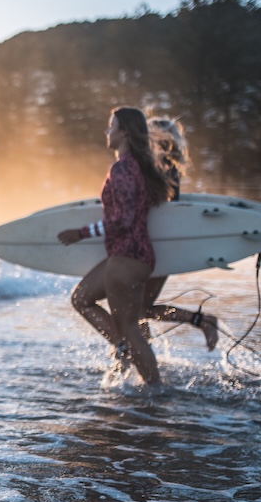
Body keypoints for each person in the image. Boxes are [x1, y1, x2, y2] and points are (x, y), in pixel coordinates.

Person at [58, 107, 172, 385]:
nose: (107, 132)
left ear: (124, 132)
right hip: (130, 256)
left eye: (111, 126)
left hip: (127, 257)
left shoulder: (123, 168)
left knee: (131, 328)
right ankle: (123, 347)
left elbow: (123, 219)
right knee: (81, 298)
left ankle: (155, 392)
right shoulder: (137, 167)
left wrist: (81, 233)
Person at [142, 117, 219, 350]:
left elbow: (163, 212)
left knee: (137, 309)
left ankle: (203, 321)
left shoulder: (163, 171)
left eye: (147, 136)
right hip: (153, 244)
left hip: (158, 246)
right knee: (136, 309)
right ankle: (134, 357)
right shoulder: (163, 169)